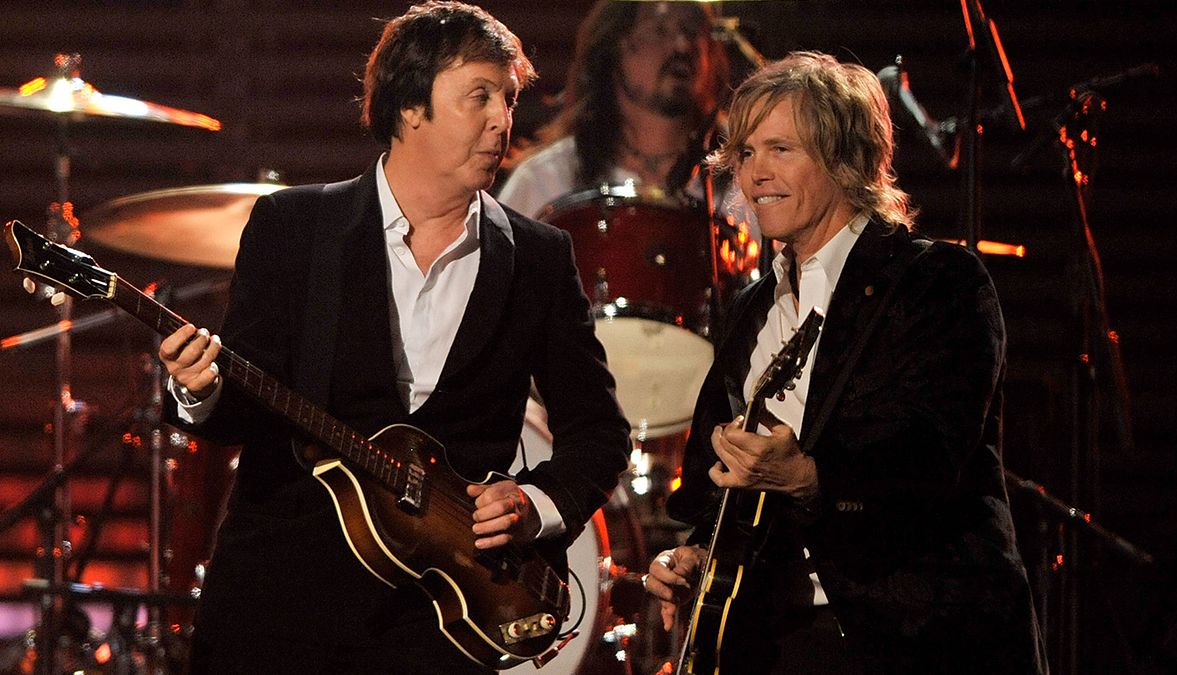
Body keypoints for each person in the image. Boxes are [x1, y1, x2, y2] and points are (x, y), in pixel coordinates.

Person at [157, 3, 630, 673]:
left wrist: (535, 504)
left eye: (509, 97)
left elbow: (598, 431)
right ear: (410, 106)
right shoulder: (294, 229)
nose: (504, 120)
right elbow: (240, 406)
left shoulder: (538, 258)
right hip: (281, 615)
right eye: (480, 97)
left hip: (441, 626)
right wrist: (197, 388)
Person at [643, 52, 1047, 673]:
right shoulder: (753, 306)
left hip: (913, 636)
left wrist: (807, 475)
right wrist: (702, 554)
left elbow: (927, 456)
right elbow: (719, 482)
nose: (755, 176)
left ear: (847, 159)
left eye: (781, 150)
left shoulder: (934, 282)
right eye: (746, 153)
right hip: (777, 638)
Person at [496, 0, 731, 218]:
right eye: (659, 31)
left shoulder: (747, 170)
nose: (682, 46)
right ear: (614, 48)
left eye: (692, 32)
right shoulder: (546, 180)